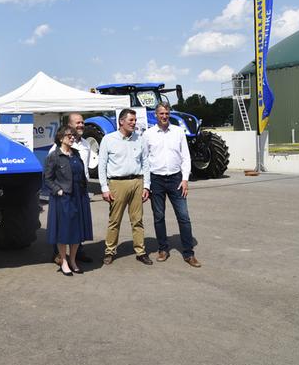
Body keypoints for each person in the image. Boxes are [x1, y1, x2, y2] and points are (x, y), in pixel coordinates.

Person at [143, 102, 201, 267]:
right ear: (156, 115)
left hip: (176, 179)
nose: (164, 116)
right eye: (161, 113)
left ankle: (189, 253)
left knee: (184, 217)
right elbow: (145, 161)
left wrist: (185, 179)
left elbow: (186, 157)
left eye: (167, 113)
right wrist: (146, 184)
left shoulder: (178, 132)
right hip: (156, 180)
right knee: (159, 217)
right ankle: (163, 249)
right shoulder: (148, 134)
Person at [98, 108, 153, 266]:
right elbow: (101, 166)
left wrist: (146, 186)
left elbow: (145, 163)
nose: (134, 123)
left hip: (137, 182)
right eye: (131, 120)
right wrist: (104, 188)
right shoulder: (108, 139)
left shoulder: (140, 139)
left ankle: (140, 252)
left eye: (135, 120)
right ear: (121, 121)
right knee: (114, 220)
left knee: (137, 220)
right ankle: (109, 251)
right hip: (117, 183)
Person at [44, 126, 93, 275]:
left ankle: (72, 260)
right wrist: (57, 190)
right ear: (60, 138)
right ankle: (63, 261)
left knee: (76, 231)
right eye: (69, 136)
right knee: (64, 231)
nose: (72, 138)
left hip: (79, 196)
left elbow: (81, 173)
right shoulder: (54, 156)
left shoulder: (76, 154)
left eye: (73, 135)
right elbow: (48, 178)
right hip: (63, 198)